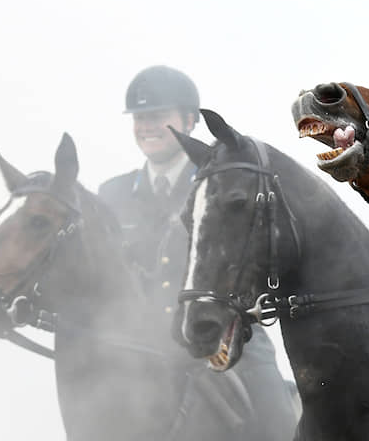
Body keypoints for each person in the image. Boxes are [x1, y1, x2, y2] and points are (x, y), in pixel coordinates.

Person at [98, 65, 298, 441]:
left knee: (279, 423)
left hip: (222, 336)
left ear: (190, 120)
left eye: (158, 116)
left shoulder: (221, 186)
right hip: (142, 344)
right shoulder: (112, 195)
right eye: (140, 118)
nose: (147, 126)